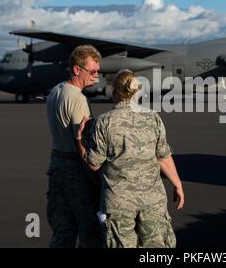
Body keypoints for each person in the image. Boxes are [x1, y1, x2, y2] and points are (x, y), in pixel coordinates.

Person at [76, 69, 185, 248]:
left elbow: (94, 164)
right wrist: (178, 185)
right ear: (137, 92)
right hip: (152, 202)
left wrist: (80, 139)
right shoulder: (153, 118)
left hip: (118, 203)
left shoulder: (104, 122)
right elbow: (163, 157)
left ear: (114, 91)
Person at [45, 44, 103, 248]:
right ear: (77, 69)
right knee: (89, 231)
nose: (96, 76)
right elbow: (82, 144)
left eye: (98, 71)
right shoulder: (78, 99)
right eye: (92, 71)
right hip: (76, 171)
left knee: (62, 231)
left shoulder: (55, 91)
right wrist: (95, 179)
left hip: (56, 166)